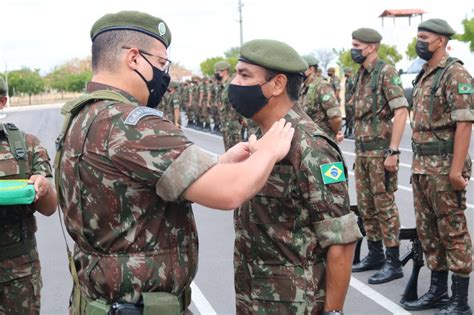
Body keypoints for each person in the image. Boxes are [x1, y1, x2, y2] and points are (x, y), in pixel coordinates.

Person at [55, 11, 295, 314]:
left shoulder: (81, 116)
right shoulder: (133, 124)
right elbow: (230, 192)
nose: (163, 75)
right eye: (160, 64)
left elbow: (131, 181)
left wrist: (219, 161)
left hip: (97, 300)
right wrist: (269, 151)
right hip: (138, 305)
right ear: (134, 58)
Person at [230, 39, 362, 314]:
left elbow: (341, 240)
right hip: (256, 296)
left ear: (277, 84)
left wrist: (334, 312)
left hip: (294, 303)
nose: (234, 83)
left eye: (244, 75)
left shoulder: (311, 147)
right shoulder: (265, 137)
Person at [401, 19, 472, 314]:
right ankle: (438, 291)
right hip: (422, 168)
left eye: (424, 37)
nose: (420, 42)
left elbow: (465, 123)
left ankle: (459, 301)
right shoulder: (425, 74)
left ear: (440, 40)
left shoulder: (455, 73)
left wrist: (456, 171)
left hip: (444, 169)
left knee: (452, 233)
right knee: (429, 232)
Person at [349, 28, 409, 284]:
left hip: (380, 152)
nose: (353, 49)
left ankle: (393, 261)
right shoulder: (361, 75)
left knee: (384, 207)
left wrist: (393, 151)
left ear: (371, 47)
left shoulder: (386, 72)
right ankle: (375, 254)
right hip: (362, 152)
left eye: (357, 45)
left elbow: (401, 112)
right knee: (366, 206)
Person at [0, 77, 58, 314]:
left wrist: (42, 187)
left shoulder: (25, 145)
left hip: (18, 273)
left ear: (2, 101)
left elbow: (50, 207)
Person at [300, 55, 342, 141]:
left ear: (311, 69)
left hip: (322, 141)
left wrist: (334, 134)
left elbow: (335, 118)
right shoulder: (303, 87)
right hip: (309, 139)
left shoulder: (322, 86)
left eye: (301, 68)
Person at [214, 60, 244, 150]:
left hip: (233, 124)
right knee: (228, 152)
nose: (216, 74)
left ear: (225, 71)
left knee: (237, 152)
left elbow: (240, 101)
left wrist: (242, 118)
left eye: (218, 71)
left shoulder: (232, 84)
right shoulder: (221, 86)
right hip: (225, 124)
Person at [343, 68, 355, 139]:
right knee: (348, 117)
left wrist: (351, 100)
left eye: (346, 72)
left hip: (351, 102)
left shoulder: (352, 80)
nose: (345, 73)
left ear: (350, 72)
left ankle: (351, 132)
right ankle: (347, 132)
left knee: (351, 117)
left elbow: (355, 91)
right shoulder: (347, 80)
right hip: (347, 101)